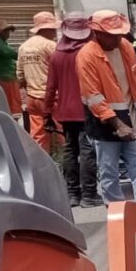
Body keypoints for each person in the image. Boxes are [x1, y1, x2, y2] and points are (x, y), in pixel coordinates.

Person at [76, 9, 136, 214]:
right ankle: (117, 211)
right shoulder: (86, 56)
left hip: (132, 115)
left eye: (120, 33)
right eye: (113, 35)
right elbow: (93, 97)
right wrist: (117, 125)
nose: (118, 38)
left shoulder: (125, 46)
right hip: (104, 122)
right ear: (97, 33)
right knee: (109, 170)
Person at [43, 12, 100, 207]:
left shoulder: (57, 55)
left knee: (70, 150)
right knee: (87, 151)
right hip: (88, 109)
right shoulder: (90, 52)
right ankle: (89, 195)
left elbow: (50, 88)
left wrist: (47, 113)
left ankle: (72, 194)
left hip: (66, 112)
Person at [17, 11, 61, 152]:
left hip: (32, 98)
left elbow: (20, 75)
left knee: (38, 136)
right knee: (65, 133)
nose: (55, 30)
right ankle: (70, 166)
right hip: (51, 98)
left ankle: (40, 167)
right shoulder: (50, 46)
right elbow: (61, 70)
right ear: (48, 28)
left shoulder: (23, 47)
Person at [0, 19, 22, 121]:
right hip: (5, 79)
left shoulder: (0, 43)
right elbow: (13, 54)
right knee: (11, 109)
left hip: (7, 78)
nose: (8, 34)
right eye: (6, 31)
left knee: (11, 108)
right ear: (0, 33)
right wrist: (25, 53)